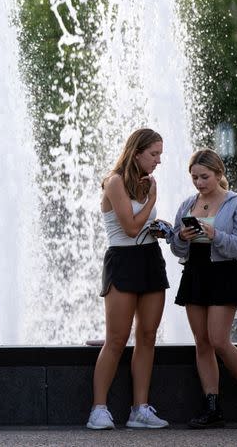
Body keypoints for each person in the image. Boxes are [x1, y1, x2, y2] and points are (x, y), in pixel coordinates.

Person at [170, 149, 237, 428]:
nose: (199, 183)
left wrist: (215, 234)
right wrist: (181, 237)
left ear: (219, 174)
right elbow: (176, 248)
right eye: (195, 177)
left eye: (204, 177)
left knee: (219, 339)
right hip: (195, 272)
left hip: (224, 274)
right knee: (202, 342)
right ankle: (212, 406)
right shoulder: (188, 204)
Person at [86, 128, 170, 430]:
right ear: (136, 152)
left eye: (160, 154)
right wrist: (152, 199)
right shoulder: (114, 181)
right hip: (123, 260)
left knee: (147, 336)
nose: (159, 161)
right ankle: (98, 408)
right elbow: (131, 228)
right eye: (154, 154)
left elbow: (144, 228)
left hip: (150, 259)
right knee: (117, 339)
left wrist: (161, 227)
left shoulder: (142, 182)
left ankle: (140, 409)